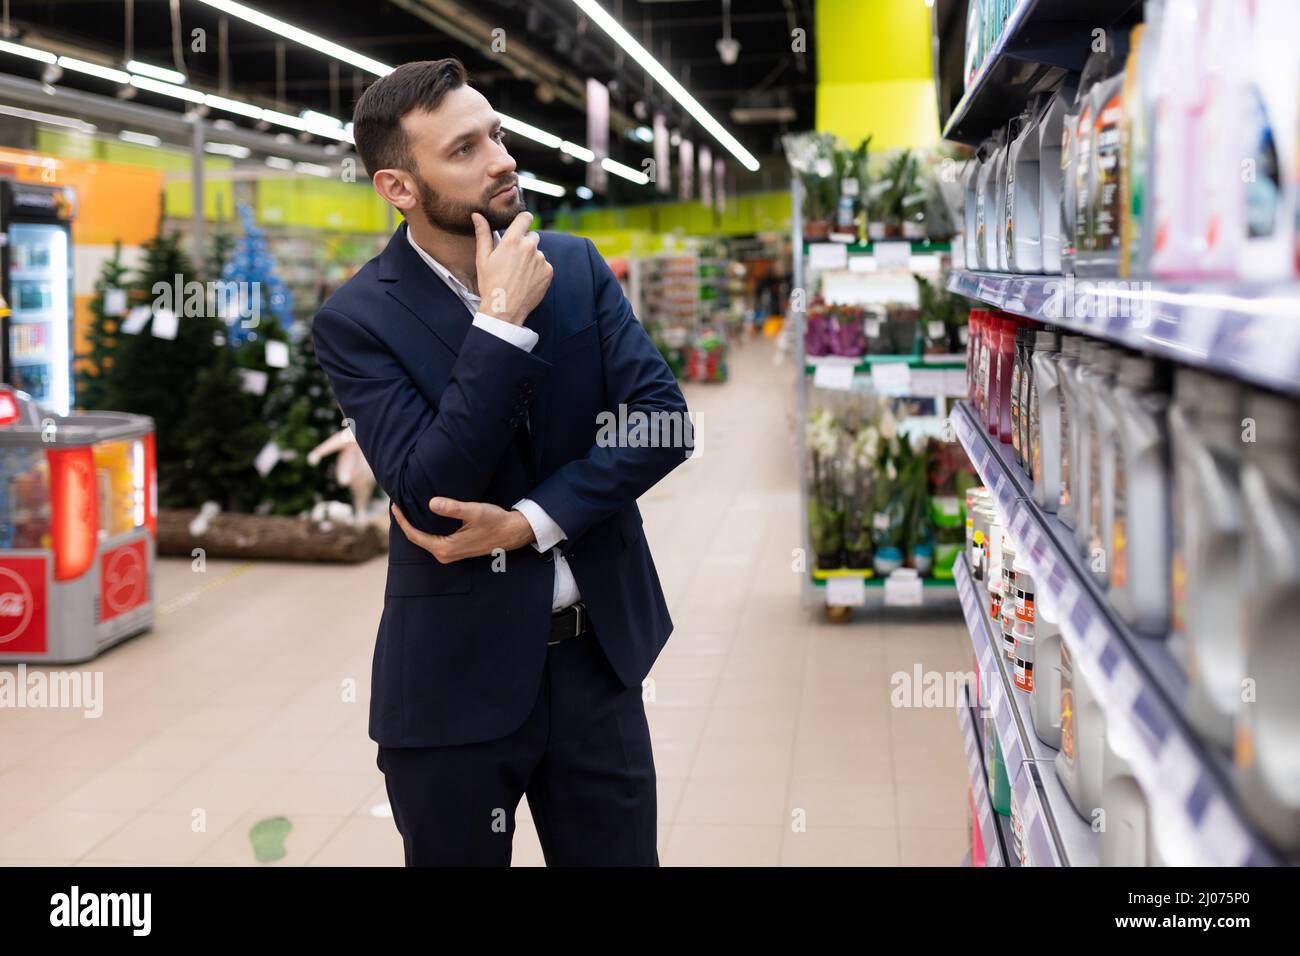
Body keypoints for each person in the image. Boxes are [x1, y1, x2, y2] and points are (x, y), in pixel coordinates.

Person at [310, 58, 691, 867]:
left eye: (498, 135)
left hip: (597, 665)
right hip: (453, 683)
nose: (501, 159)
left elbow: (662, 423)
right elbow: (428, 489)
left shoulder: (578, 267)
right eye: (464, 149)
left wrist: (526, 523)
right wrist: (499, 325)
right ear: (399, 186)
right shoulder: (357, 318)